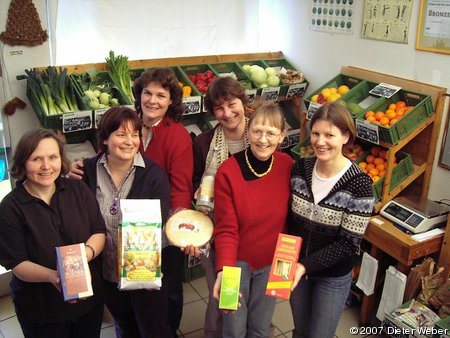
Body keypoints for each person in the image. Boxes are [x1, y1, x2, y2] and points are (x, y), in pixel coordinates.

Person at [0, 129, 106, 338]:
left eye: (52, 157)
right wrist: (53, 277)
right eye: (36, 159)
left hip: (88, 302)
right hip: (41, 309)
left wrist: (87, 252)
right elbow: (18, 263)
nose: (46, 166)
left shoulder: (78, 189)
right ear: (22, 163)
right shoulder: (10, 208)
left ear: (61, 159)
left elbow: (99, 231)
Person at [80, 106, 173, 337]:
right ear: (104, 138)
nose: (129, 141)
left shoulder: (153, 175)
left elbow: (157, 225)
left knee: (153, 329)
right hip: (106, 271)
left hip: (143, 272)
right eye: (121, 134)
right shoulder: (87, 171)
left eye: (135, 134)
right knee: (125, 326)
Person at [288, 102, 375, 338]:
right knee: (301, 330)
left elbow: (349, 244)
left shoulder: (359, 185)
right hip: (297, 268)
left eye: (329, 135)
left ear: (346, 136)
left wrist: (305, 265)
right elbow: (289, 221)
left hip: (332, 277)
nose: (320, 141)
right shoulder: (300, 168)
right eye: (315, 133)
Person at [212, 102, 294, 338]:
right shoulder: (228, 170)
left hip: (276, 262)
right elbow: (226, 229)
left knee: (260, 327)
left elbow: (291, 220)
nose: (263, 139)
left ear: (282, 136)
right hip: (234, 263)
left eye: (271, 133)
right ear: (248, 131)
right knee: (233, 330)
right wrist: (224, 271)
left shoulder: (287, 166)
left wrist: (287, 267)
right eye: (257, 131)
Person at [133, 68, 194, 336]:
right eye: (148, 92)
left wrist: (177, 229)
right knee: (137, 281)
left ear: (171, 101)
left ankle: (170, 329)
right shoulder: (129, 124)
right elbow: (105, 155)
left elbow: (181, 188)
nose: (152, 100)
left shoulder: (177, 135)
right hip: (131, 221)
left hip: (164, 223)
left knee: (167, 286)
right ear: (139, 95)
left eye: (161, 95)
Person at [192, 76, 250, 338]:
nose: (227, 113)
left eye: (232, 104)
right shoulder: (203, 143)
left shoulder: (262, 136)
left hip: (253, 229)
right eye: (219, 108)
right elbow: (194, 179)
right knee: (220, 294)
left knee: (251, 293)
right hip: (215, 229)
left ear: (243, 102)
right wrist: (197, 192)